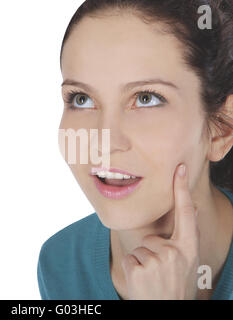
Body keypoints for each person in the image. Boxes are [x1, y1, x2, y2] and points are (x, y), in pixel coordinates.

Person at [37, 0, 233, 300]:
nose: (104, 142)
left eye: (146, 98)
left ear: (221, 129)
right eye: (80, 99)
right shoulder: (61, 262)